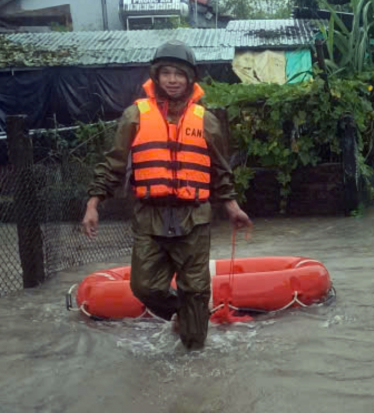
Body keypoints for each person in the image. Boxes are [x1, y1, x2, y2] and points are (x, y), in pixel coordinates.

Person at [81, 40, 252, 350]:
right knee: (143, 286)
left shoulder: (207, 121)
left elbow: (219, 171)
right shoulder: (135, 116)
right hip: (150, 216)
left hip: (195, 217)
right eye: (167, 73)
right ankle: (181, 314)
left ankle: (194, 357)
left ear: (190, 79)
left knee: (196, 291)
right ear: (156, 76)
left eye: (180, 74)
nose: (173, 80)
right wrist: (94, 203)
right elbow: (114, 163)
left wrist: (232, 207)